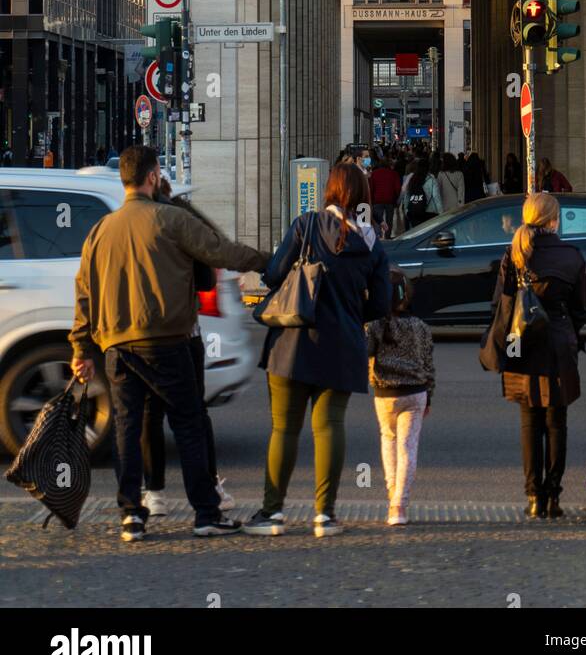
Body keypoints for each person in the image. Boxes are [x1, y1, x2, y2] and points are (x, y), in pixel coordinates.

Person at [69, 145, 267, 543]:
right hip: (168, 343)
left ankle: (132, 516)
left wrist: (81, 350)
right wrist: (268, 261)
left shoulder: (100, 232)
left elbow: (84, 294)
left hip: (118, 348)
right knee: (190, 425)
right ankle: (206, 514)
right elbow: (220, 252)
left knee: (127, 428)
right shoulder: (171, 219)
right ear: (153, 176)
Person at [245, 162, 391, 539]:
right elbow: (380, 305)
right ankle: (324, 516)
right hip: (342, 346)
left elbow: (275, 273)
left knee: (284, 429)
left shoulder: (305, 224)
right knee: (329, 427)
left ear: (329, 190)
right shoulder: (372, 242)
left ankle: (272, 513)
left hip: (293, 343)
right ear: (361, 197)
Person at [481, 192, 586, 520]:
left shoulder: (515, 252)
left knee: (529, 421)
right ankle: (553, 497)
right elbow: (580, 311)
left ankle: (533, 498)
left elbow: (501, 302)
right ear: (554, 220)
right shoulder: (572, 256)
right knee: (557, 422)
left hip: (521, 341)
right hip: (558, 341)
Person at [140, 177, 233, 517]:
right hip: (184, 331)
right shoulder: (181, 222)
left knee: (149, 414)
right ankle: (210, 491)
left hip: (142, 333)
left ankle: (153, 493)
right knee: (193, 415)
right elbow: (207, 278)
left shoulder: (134, 223)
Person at [367, 270, 435, 526]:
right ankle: (399, 506)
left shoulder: (375, 325)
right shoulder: (421, 327)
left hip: (385, 393)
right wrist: (430, 395)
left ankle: (391, 492)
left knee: (388, 439)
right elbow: (429, 365)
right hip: (415, 392)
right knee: (408, 448)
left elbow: (365, 353)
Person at [400, 156, 442, 229]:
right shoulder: (432, 180)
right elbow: (436, 197)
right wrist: (441, 213)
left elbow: (407, 195)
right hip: (430, 213)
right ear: (428, 167)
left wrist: (406, 210)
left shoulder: (412, 178)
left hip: (415, 212)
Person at [369, 156, 401, 237]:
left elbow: (371, 187)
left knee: (377, 220)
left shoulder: (374, 173)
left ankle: (377, 236)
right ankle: (388, 236)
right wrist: (396, 199)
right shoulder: (394, 173)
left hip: (377, 200)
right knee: (389, 220)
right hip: (390, 200)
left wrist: (371, 199)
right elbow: (397, 188)